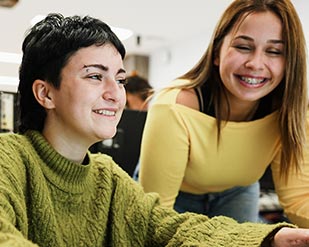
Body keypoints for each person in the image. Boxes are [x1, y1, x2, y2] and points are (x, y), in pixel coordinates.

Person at [1, 12, 309, 247]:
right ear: (45, 93)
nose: (115, 93)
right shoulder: (9, 160)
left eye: (119, 80)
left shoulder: (108, 179)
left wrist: (273, 238)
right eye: (95, 76)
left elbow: (173, 227)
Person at [139, 0, 309, 227]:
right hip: (175, 196)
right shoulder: (174, 107)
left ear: (290, 63)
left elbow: (298, 199)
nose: (256, 63)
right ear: (217, 51)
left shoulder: (291, 112)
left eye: (275, 51)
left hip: (237, 191)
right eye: (243, 47)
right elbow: (155, 217)